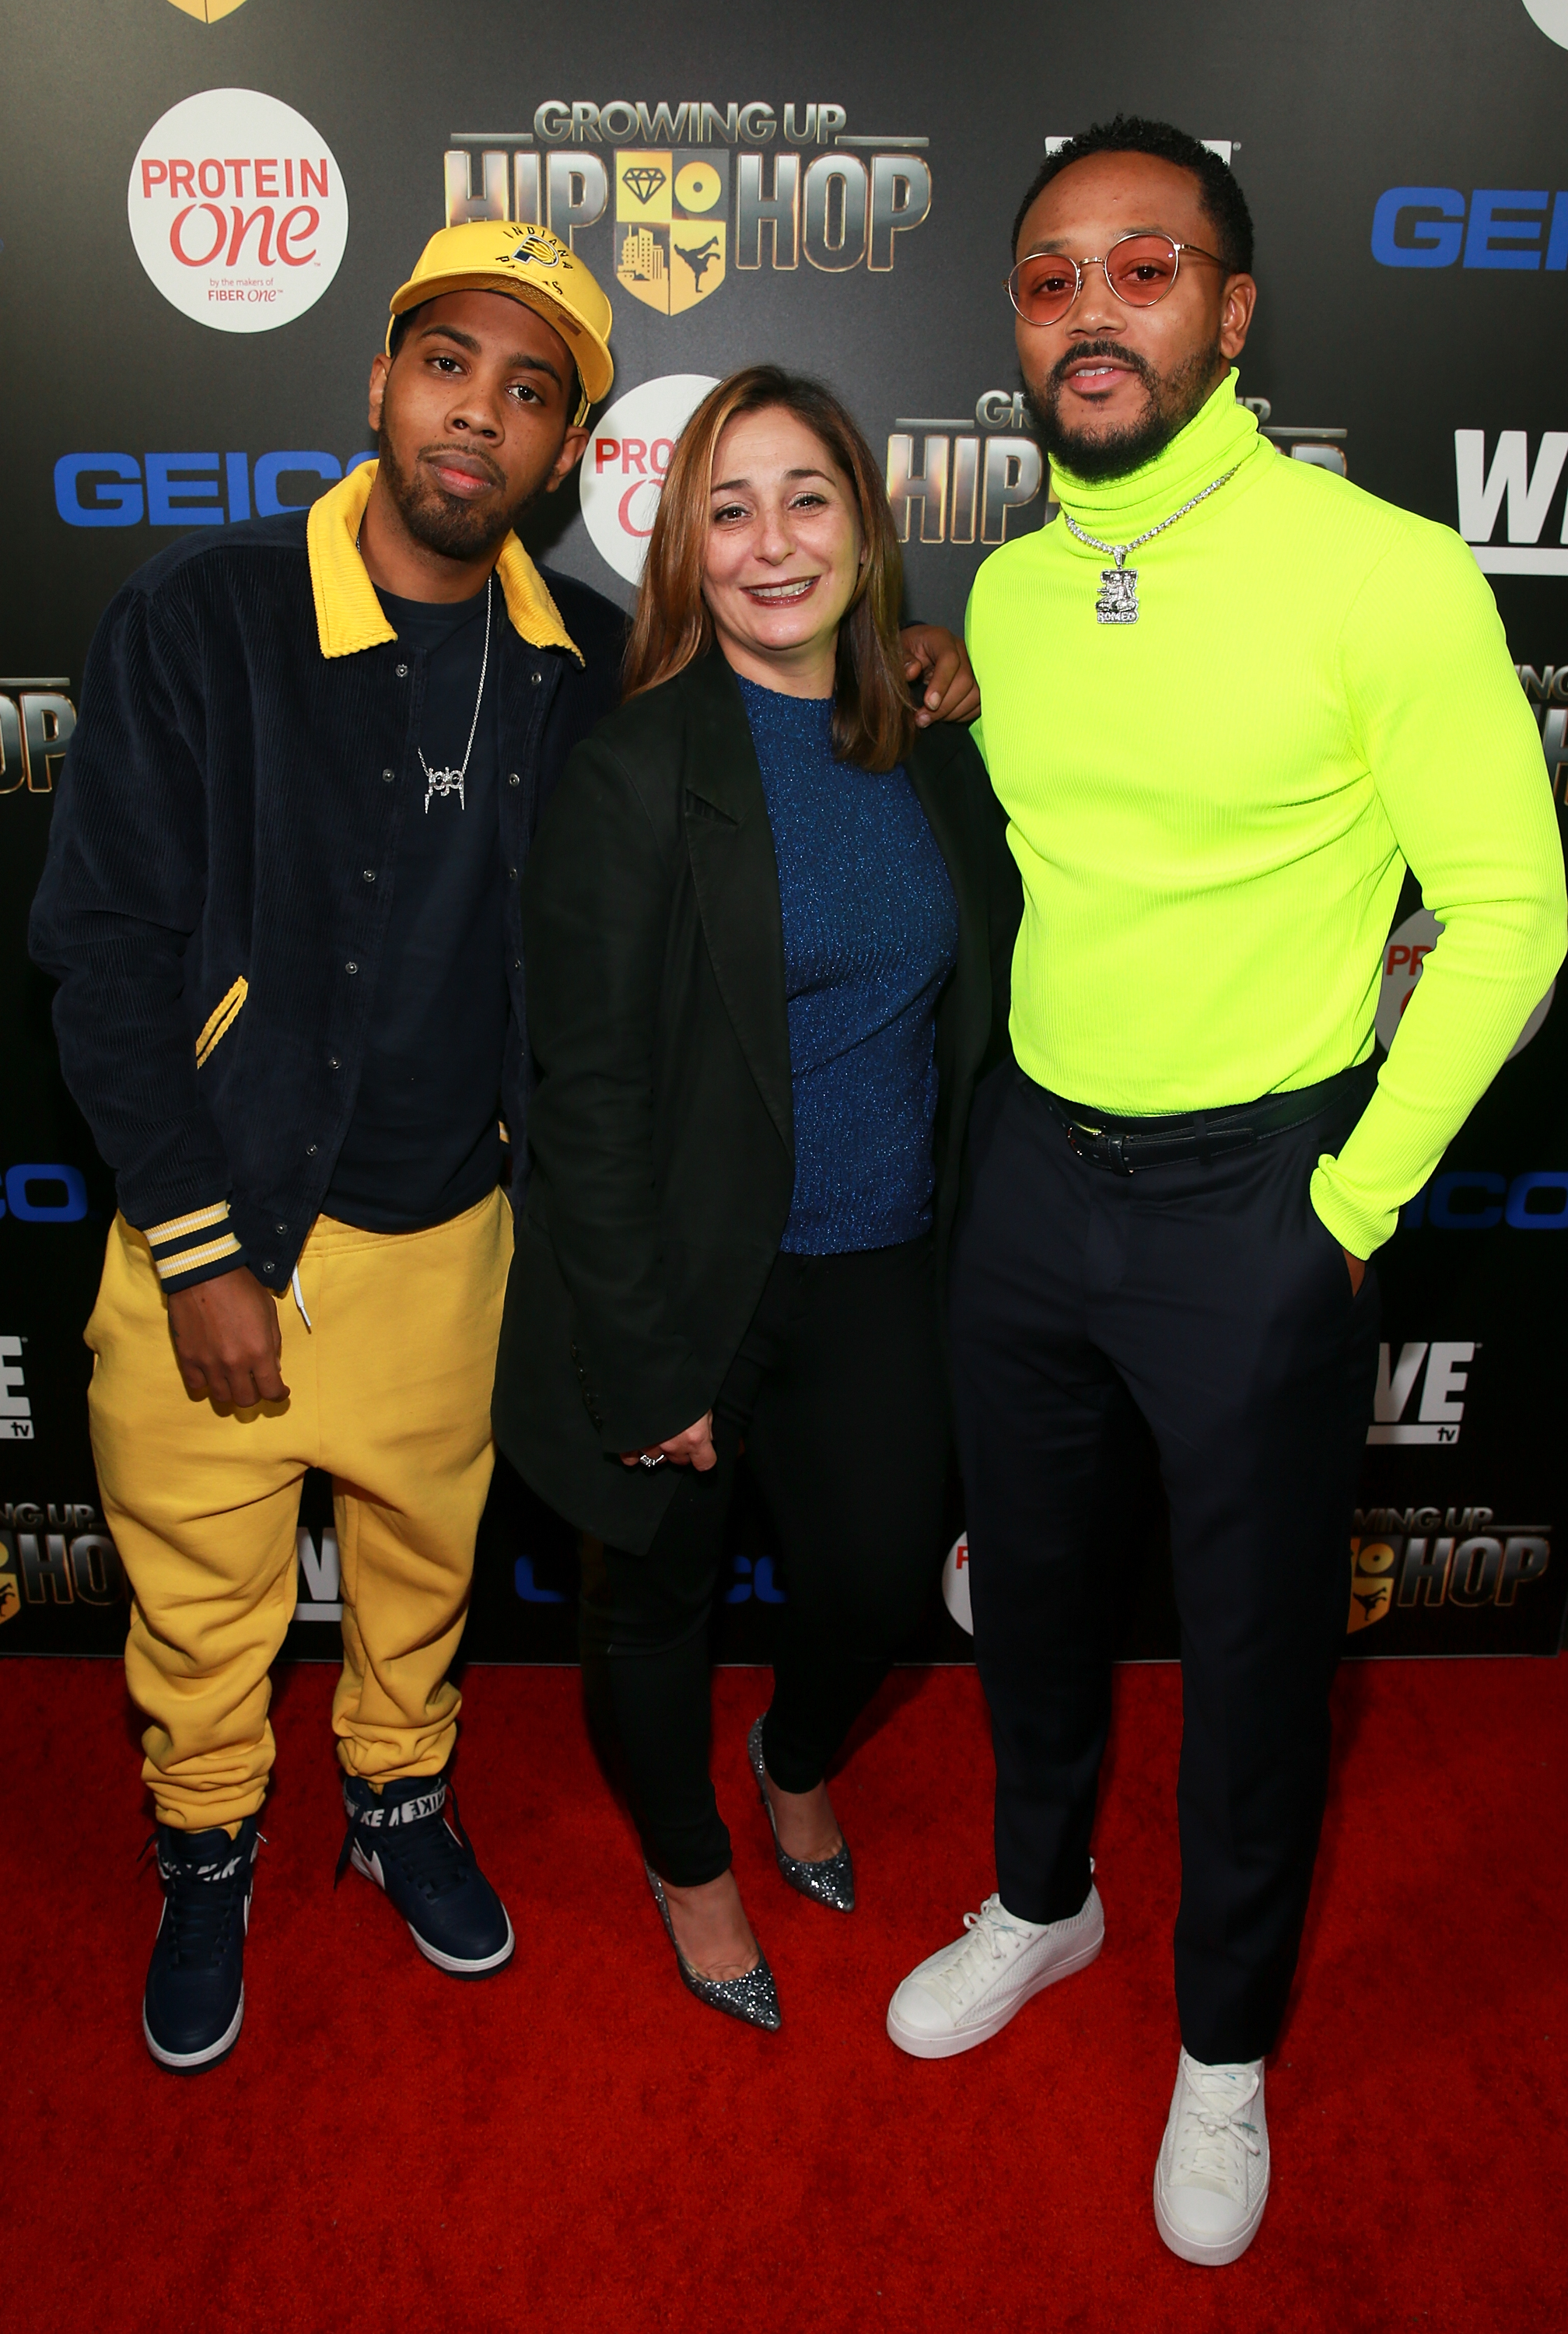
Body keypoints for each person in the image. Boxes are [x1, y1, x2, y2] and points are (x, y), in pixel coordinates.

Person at [28, 216, 986, 2075]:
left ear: (568, 459)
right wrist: (205, 1246)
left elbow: (786, 725)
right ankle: (209, 1845)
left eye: (530, 390)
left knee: (421, 1592)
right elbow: (97, 956)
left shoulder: (587, 685)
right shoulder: (197, 621)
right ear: (380, 379)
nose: (479, 413)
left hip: (456, 1239)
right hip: (216, 1241)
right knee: (204, 1603)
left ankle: (396, 1807)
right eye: (450, 363)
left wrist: (920, 657)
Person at [885, 119, 1566, 2264]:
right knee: (1034, 1596)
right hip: (1032, 1188)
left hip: (1265, 1199)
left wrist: (1351, 1208)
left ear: (1233, 311)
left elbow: (1515, 912)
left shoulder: (1381, 571)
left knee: (1265, 1663)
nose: (1094, 311)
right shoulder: (1005, 585)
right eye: (1052, 279)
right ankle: (1043, 1903)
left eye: (1146, 267)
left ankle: (1224, 2051)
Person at [492, 366, 1020, 2030]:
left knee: (874, 1586)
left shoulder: (936, 754)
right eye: (730, 507)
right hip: (688, 1282)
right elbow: (580, 1096)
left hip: (885, 1268)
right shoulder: (637, 774)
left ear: (865, 531)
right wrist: (645, 1365)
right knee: (649, 1600)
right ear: (684, 551)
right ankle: (691, 1865)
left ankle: (796, 1759)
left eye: (807, 498)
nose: (772, 541)